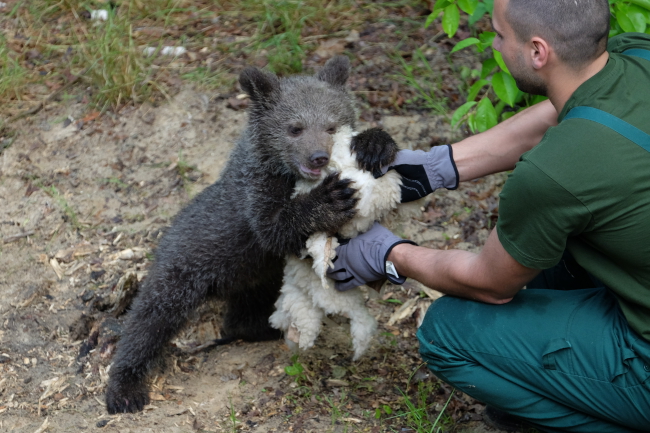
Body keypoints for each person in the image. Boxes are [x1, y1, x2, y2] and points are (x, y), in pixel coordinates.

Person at [326, 0, 650, 431]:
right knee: (559, 244)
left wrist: (389, 254)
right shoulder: (636, 57)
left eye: (500, 35)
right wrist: (440, 166)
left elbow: (491, 283)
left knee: (446, 333)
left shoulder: (553, 176)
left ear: (538, 52)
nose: (495, 44)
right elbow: (565, 111)